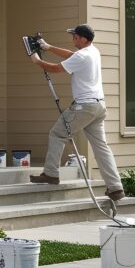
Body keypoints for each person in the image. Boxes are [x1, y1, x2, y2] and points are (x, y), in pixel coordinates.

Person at [28, 24, 125, 202]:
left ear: (83, 39)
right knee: (101, 147)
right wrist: (48, 47)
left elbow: (56, 68)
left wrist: (37, 60)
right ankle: (115, 187)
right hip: (98, 107)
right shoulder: (92, 52)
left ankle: (51, 174)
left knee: (57, 134)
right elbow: (71, 56)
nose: (73, 39)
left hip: (84, 107)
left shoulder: (82, 55)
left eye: (75, 36)